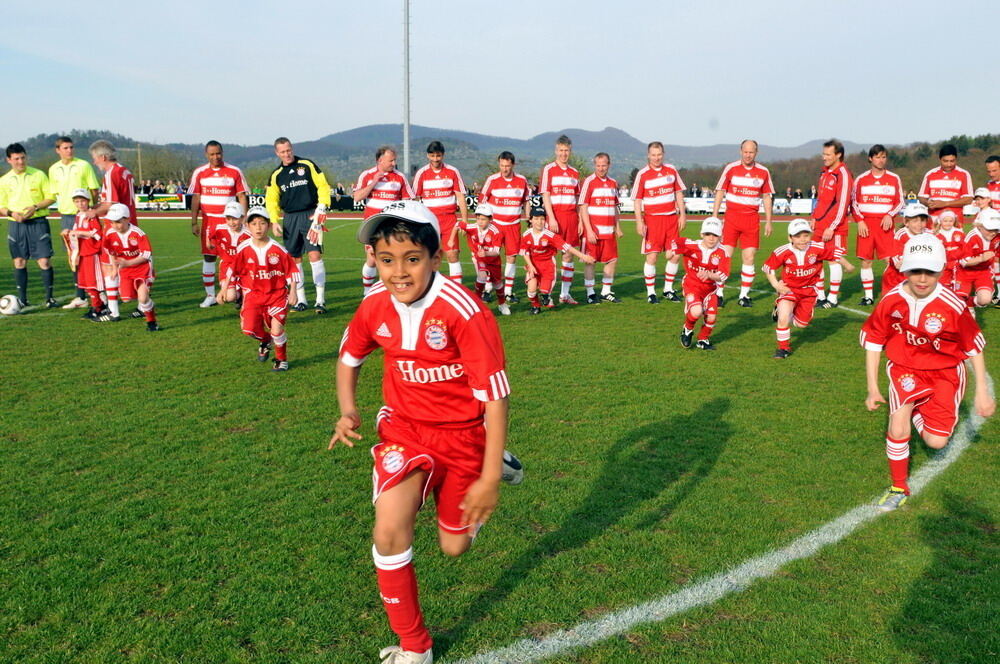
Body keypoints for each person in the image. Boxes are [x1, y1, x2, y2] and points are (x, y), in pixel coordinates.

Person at [329, 199, 520, 664]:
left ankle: (500, 462)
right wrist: (348, 411)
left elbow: (495, 397)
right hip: (404, 432)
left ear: (436, 258)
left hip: (463, 435)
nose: (398, 272)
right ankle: (416, 647)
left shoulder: (466, 312)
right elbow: (349, 358)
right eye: (386, 259)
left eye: (412, 259)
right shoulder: (374, 304)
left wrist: (489, 477)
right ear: (373, 258)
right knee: (389, 531)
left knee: (454, 547)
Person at [860, 234, 993, 511]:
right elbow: (873, 342)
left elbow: (973, 348)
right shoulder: (890, 300)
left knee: (936, 441)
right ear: (904, 269)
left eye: (930, 271)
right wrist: (872, 387)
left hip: (945, 373)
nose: (922, 278)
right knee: (898, 423)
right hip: (904, 368)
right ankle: (898, 486)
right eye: (915, 270)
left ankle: (918, 410)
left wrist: (981, 391)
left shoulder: (954, 305)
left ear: (941, 270)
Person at [763, 218, 855, 359]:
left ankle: (786, 312)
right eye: (798, 236)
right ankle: (783, 349)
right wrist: (776, 285)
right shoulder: (782, 251)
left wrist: (847, 265)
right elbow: (768, 268)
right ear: (790, 237)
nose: (802, 240)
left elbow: (835, 254)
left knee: (802, 324)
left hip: (809, 291)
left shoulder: (817, 247)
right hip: (789, 289)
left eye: (806, 235)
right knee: (783, 318)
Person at [222, 207, 299, 371]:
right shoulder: (243, 248)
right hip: (253, 295)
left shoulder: (278, 250)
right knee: (248, 329)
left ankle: (281, 360)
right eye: (254, 223)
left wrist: (293, 291)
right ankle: (265, 340)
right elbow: (231, 269)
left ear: (269, 226)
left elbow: (292, 271)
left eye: (262, 223)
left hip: (277, 295)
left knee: (277, 329)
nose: (258, 227)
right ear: (248, 226)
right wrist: (223, 289)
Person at [265, 137, 330, 313]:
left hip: (310, 216)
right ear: (277, 153)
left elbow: (323, 186)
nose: (287, 154)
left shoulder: (307, 165)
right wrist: (274, 220)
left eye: (288, 150)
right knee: (295, 260)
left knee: (315, 255)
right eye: (283, 152)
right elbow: (271, 200)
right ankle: (301, 300)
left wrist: (322, 207)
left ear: (291, 148)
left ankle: (320, 300)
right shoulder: (276, 175)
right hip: (290, 219)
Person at [711, 139, 775, 307]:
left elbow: (767, 197)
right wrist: (714, 216)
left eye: (751, 152)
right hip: (731, 218)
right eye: (745, 151)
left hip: (751, 219)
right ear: (740, 151)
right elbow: (720, 192)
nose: (748, 155)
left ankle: (744, 296)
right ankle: (718, 294)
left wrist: (769, 221)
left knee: (749, 257)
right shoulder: (730, 168)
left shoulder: (763, 172)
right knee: (725, 256)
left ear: (756, 153)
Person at [188, 140, 249, 308]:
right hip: (209, 222)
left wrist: (243, 219)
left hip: (230, 222)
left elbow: (242, 196)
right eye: (212, 154)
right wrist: (194, 221)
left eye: (218, 153)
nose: (216, 157)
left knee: (236, 257)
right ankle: (210, 295)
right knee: (208, 257)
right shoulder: (199, 172)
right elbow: (196, 198)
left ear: (223, 152)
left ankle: (240, 293)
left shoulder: (234, 171)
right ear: (206, 155)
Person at [0, 143, 57, 308]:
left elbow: (51, 197)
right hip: (16, 226)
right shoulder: (4, 180)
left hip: (38, 223)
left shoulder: (39, 175)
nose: (20, 161)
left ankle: (49, 298)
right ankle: (22, 299)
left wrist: (35, 207)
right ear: (9, 160)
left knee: (44, 261)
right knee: (19, 261)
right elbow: (1, 205)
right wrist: (11, 213)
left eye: (23, 157)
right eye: (16, 159)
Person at [48, 136, 100, 309]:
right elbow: (54, 194)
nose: (69, 150)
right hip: (67, 217)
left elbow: (94, 189)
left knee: (92, 255)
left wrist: (91, 211)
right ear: (58, 150)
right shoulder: (53, 169)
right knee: (73, 256)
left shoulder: (83, 165)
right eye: (65, 148)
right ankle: (80, 296)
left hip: (84, 215)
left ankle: (100, 292)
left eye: (71, 147)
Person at [631, 141, 687, 303]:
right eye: (653, 155)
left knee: (675, 255)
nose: (656, 158)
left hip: (671, 219)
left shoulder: (671, 170)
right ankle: (651, 293)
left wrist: (682, 214)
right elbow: (637, 200)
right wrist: (639, 221)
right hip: (652, 221)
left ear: (663, 154)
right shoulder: (642, 174)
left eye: (659, 154)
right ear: (648, 155)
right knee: (652, 257)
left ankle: (668, 289)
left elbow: (678, 194)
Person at [354, 146, 414, 295]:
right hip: (372, 225)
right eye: (391, 160)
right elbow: (357, 197)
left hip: (392, 226)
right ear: (380, 160)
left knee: (388, 259)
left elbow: (408, 201)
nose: (394, 163)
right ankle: (367, 292)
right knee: (372, 259)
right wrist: (374, 182)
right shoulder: (367, 175)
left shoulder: (399, 177)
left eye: (394, 160)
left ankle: (383, 294)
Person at [851, 144, 904, 305]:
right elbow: (853, 202)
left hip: (885, 226)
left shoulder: (894, 178)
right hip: (866, 225)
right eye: (877, 157)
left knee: (891, 260)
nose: (881, 160)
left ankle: (894, 292)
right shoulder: (861, 179)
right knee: (866, 260)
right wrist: (860, 220)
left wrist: (889, 214)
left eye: (883, 157)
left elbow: (900, 201)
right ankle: (868, 296)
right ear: (870, 158)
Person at [667, 217, 730, 350]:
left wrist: (709, 275)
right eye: (708, 234)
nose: (711, 238)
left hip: (710, 289)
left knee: (711, 317)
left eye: (715, 235)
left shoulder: (723, 252)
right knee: (696, 311)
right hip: (692, 285)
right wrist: (670, 252)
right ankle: (688, 329)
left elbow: (724, 275)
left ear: (720, 236)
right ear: (702, 234)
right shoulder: (692, 245)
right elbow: (675, 241)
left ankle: (703, 339)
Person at [96, 203, 159, 331]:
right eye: (112, 222)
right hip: (125, 270)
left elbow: (146, 255)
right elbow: (111, 253)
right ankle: (149, 305)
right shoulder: (110, 234)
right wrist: (114, 269)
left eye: (118, 222)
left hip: (142, 268)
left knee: (142, 297)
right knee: (126, 299)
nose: (115, 225)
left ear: (127, 219)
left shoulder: (138, 234)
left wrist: (128, 263)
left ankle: (152, 323)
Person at [412, 141, 468, 285]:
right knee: (427, 255)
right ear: (427, 155)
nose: (435, 159)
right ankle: (427, 288)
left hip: (449, 220)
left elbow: (460, 196)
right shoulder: (422, 173)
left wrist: (464, 221)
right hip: (429, 221)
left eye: (438, 156)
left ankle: (458, 290)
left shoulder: (452, 171)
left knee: (453, 254)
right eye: (432, 155)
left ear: (443, 155)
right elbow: (415, 199)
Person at [520, 206, 595, 314]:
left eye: (542, 218)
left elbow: (567, 247)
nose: (539, 222)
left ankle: (546, 296)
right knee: (531, 290)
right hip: (533, 265)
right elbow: (525, 252)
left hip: (547, 266)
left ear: (545, 220)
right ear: (530, 220)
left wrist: (583, 256)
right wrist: (530, 266)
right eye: (536, 218)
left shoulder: (550, 235)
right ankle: (535, 306)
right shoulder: (526, 235)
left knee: (544, 293)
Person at [479, 152, 531, 303]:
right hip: (495, 226)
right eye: (502, 166)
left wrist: (527, 217)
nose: (504, 169)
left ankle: (508, 291)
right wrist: (483, 221)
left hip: (513, 225)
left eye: (507, 166)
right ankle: (488, 289)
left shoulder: (521, 180)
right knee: (492, 256)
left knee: (511, 257)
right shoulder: (492, 180)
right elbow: (482, 201)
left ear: (513, 165)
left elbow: (526, 200)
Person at [539, 135, 582, 304]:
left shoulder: (574, 172)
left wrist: (578, 219)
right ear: (556, 151)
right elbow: (545, 194)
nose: (564, 154)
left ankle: (564, 294)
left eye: (567, 150)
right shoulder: (549, 169)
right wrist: (551, 218)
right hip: (555, 216)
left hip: (571, 216)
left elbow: (577, 198)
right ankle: (546, 294)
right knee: (548, 256)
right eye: (561, 150)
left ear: (570, 151)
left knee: (568, 255)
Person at [811, 138, 853, 308]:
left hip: (834, 228)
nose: (824, 157)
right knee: (816, 259)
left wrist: (832, 226)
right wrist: (814, 216)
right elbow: (822, 200)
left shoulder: (843, 174)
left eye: (828, 154)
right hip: (819, 225)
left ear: (838, 155)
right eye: (823, 153)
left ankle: (833, 298)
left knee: (833, 260)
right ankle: (820, 296)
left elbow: (842, 204)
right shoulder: (824, 173)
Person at [578, 152, 622, 303]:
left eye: (604, 165)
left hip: (609, 231)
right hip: (594, 231)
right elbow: (583, 207)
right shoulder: (588, 182)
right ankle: (590, 293)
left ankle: (606, 291)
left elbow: (615, 206)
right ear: (594, 165)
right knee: (590, 261)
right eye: (598, 165)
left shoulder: (613, 183)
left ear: (609, 165)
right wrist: (588, 230)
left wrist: (618, 226)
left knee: (612, 260)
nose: (601, 168)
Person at [454, 203, 509, 315]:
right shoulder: (473, 226)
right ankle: (476, 304)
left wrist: (486, 253)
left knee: (498, 283)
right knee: (482, 276)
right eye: (478, 218)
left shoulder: (496, 232)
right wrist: (451, 239)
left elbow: (496, 252)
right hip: (480, 259)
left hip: (493, 261)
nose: (480, 221)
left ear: (490, 219)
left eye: (483, 219)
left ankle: (502, 304)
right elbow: (457, 224)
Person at [66, 188, 106, 318]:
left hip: (92, 252)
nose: (80, 204)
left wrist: (81, 232)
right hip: (82, 252)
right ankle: (96, 305)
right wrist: (68, 232)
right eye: (77, 201)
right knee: (86, 281)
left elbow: (98, 234)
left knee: (93, 281)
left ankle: (99, 306)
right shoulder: (78, 215)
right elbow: (76, 231)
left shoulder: (91, 215)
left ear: (88, 201)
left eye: (82, 201)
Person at [881, 203, 933, 294]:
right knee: (892, 304)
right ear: (906, 222)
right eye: (915, 221)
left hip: (915, 274)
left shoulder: (929, 235)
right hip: (895, 277)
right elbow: (896, 258)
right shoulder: (901, 234)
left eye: (923, 220)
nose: (919, 224)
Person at [918, 144, 973, 228]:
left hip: (955, 222)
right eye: (945, 161)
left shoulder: (964, 174)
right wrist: (927, 203)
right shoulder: (930, 174)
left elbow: (968, 199)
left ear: (956, 159)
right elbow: (922, 197)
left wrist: (945, 203)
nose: (949, 164)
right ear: (940, 159)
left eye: (952, 161)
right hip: (933, 222)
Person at [955, 208, 1000, 309]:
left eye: (996, 229)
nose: (993, 232)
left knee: (985, 300)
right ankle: (965, 306)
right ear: (979, 226)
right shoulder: (972, 237)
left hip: (984, 271)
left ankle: (969, 304)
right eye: (989, 229)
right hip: (965, 272)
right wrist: (981, 258)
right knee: (958, 301)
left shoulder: (998, 236)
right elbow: (963, 262)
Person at [211, 201, 251, 307]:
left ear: (242, 218)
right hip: (226, 266)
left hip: (243, 268)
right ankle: (239, 296)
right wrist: (209, 243)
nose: (231, 222)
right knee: (229, 297)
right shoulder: (220, 229)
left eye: (235, 219)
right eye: (228, 219)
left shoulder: (248, 234)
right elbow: (209, 231)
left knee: (250, 297)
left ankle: (243, 297)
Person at [932, 210, 964, 292]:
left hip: (957, 263)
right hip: (943, 264)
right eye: (945, 221)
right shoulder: (936, 235)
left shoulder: (959, 232)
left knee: (958, 285)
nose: (948, 223)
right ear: (940, 221)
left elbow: (964, 248)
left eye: (951, 221)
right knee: (943, 285)